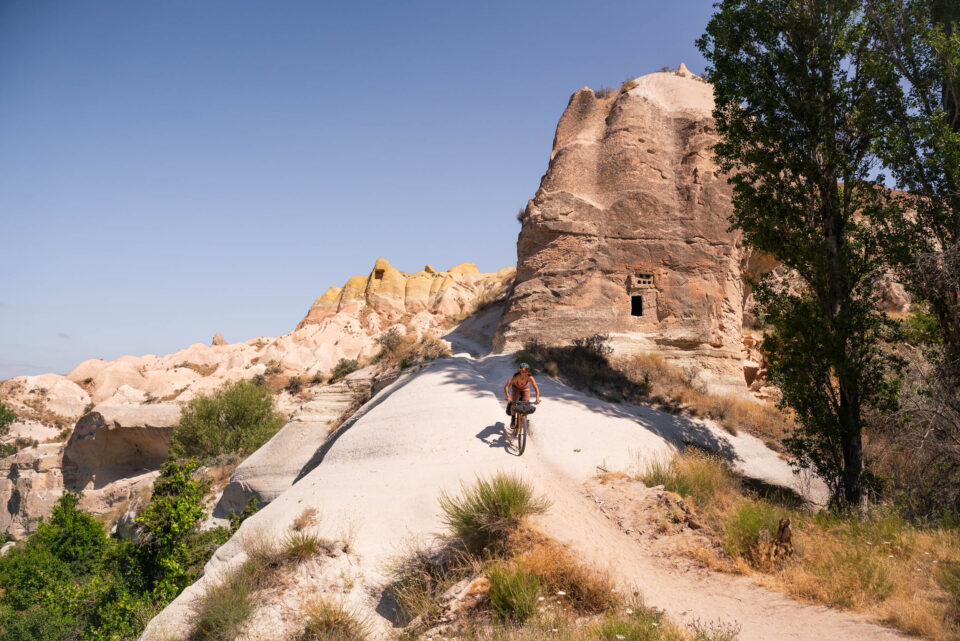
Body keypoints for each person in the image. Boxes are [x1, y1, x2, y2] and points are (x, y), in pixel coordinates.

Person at [504, 363, 541, 427]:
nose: (525, 372)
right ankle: (513, 420)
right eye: (523, 370)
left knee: (526, 404)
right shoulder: (515, 377)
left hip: (525, 389)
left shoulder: (530, 377)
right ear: (520, 371)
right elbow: (506, 387)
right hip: (516, 388)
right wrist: (508, 397)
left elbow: (536, 388)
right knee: (514, 403)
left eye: (526, 370)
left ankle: (524, 421)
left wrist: (537, 398)